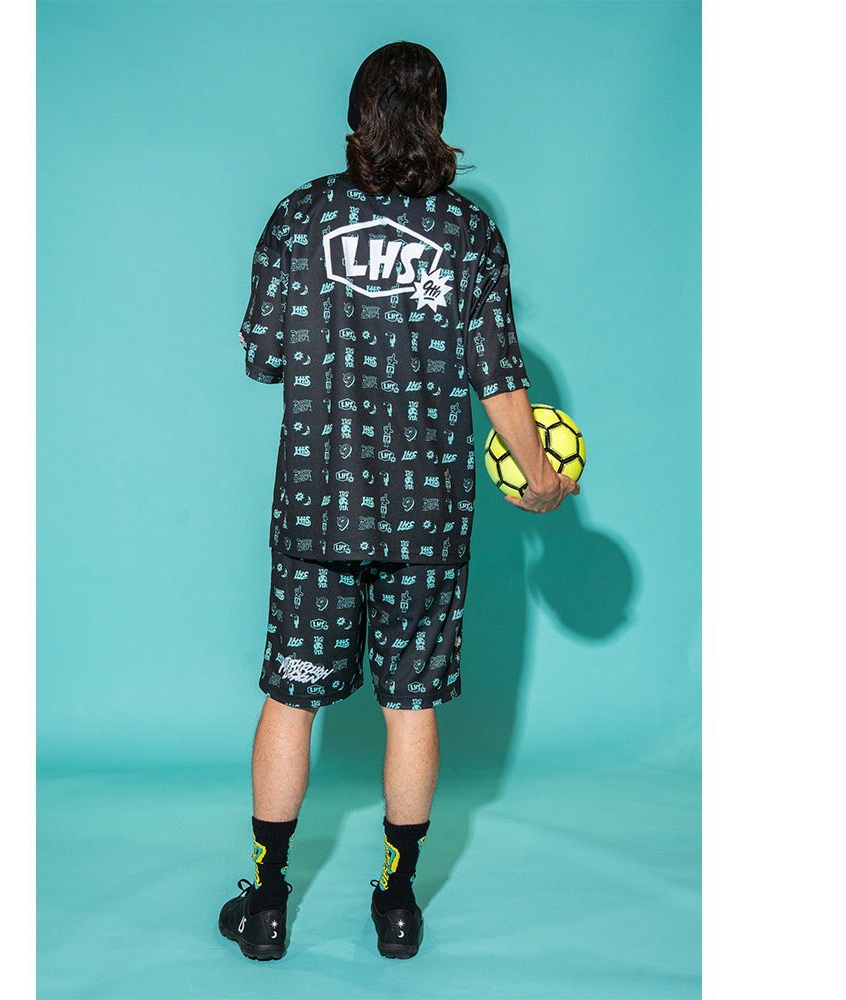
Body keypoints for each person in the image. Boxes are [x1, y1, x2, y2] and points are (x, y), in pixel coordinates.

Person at [218, 41, 580, 962]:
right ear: (438, 119)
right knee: (411, 707)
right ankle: (397, 902)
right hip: (427, 517)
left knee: (291, 699)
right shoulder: (469, 233)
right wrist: (539, 476)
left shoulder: (300, 217)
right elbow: (499, 378)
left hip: (317, 511)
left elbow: (262, 356)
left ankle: (266, 901)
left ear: (356, 116)